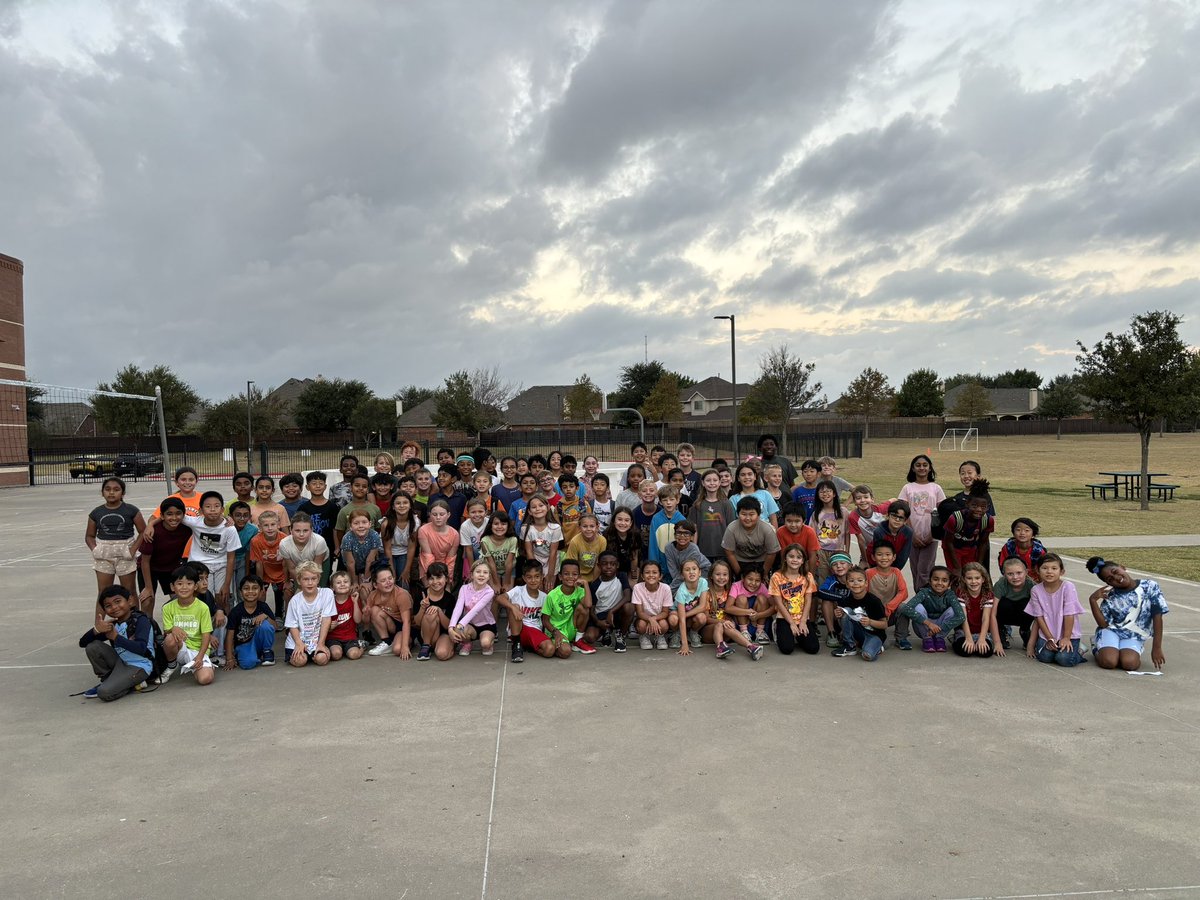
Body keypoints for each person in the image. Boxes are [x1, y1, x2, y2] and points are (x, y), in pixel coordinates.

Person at [1085, 556, 1168, 672]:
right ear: (1108, 583)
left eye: (1115, 572)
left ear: (1122, 567)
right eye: (1110, 579)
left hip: (1133, 634)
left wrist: (1156, 648)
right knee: (1109, 662)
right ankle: (1096, 645)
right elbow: (1103, 624)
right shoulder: (1110, 596)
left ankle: (1118, 650)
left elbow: (1157, 616)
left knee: (1130, 664)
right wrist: (1093, 600)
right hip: (1111, 631)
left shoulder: (1150, 586)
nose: (1117, 578)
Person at [79, 585, 156, 700]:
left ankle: (131, 685)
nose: (114, 607)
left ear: (130, 601)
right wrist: (96, 630)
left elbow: (141, 648)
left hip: (140, 666)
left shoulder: (141, 620)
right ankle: (108, 679)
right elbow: (83, 643)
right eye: (108, 606)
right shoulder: (113, 624)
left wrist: (116, 638)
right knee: (93, 646)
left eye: (118, 601)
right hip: (121, 662)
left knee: (104, 693)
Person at [181, 490, 241, 614]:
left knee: (222, 598)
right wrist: (151, 524)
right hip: (199, 565)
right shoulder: (195, 522)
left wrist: (226, 584)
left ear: (222, 509)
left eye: (216, 506)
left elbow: (231, 558)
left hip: (221, 565)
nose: (212, 510)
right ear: (201, 510)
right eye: (208, 507)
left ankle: (226, 629)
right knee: (202, 598)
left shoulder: (229, 529)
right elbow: (172, 514)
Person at [85, 477, 145, 594]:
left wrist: (132, 550)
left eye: (116, 489)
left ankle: (133, 613)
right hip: (104, 553)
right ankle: (100, 613)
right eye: (107, 489)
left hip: (125, 552)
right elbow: (89, 536)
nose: (111, 492)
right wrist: (95, 549)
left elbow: (143, 531)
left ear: (123, 493)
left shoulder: (131, 510)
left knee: (129, 591)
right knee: (104, 592)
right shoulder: (96, 512)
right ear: (102, 493)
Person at [159, 564, 215, 686]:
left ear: (195, 586)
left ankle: (201, 666)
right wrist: (173, 628)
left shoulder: (202, 608)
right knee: (169, 639)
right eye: (179, 584)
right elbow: (166, 631)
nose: (184, 587)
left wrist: (200, 657)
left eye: (189, 584)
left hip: (197, 649)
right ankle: (172, 665)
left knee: (205, 679)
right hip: (180, 647)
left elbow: (206, 635)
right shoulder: (167, 607)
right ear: (172, 587)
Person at [1026, 553, 1086, 666]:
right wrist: (1049, 638)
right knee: (1044, 657)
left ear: (1061, 571)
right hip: (1048, 633)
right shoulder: (1035, 590)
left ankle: (1079, 651)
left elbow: (1069, 614)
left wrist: (1066, 638)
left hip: (1068, 634)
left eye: (1054, 568)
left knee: (1064, 659)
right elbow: (1039, 617)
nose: (1049, 572)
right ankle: (1059, 647)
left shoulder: (1068, 587)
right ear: (1037, 571)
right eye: (1044, 568)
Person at [897, 454, 946, 592]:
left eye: (925, 465)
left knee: (924, 570)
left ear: (930, 468)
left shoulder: (936, 488)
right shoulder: (907, 488)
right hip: (911, 535)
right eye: (918, 465)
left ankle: (923, 600)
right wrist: (912, 534)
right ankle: (921, 600)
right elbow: (902, 512)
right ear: (913, 468)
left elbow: (942, 513)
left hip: (931, 536)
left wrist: (932, 534)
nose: (922, 468)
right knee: (915, 570)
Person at [136, 497, 192, 615]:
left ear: (184, 515)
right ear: (162, 516)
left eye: (178, 514)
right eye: (169, 514)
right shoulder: (152, 532)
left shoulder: (187, 528)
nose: (174, 518)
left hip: (172, 569)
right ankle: (148, 629)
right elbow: (145, 562)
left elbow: (207, 522)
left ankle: (177, 630)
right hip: (150, 569)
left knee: (181, 599)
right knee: (147, 600)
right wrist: (148, 588)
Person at [899, 566, 965, 653]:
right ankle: (927, 639)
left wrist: (939, 629)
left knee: (953, 611)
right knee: (918, 607)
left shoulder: (950, 595)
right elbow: (906, 608)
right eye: (936, 579)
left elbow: (961, 617)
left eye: (944, 580)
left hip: (940, 628)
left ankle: (939, 638)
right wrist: (929, 624)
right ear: (930, 581)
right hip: (924, 626)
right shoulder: (924, 592)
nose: (939, 583)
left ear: (949, 584)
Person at [941, 478, 995, 582]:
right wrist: (957, 567)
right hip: (953, 548)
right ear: (967, 504)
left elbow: (983, 543)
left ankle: (968, 597)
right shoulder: (955, 518)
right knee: (957, 576)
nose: (979, 510)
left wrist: (978, 564)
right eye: (974, 506)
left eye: (983, 507)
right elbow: (948, 542)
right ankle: (955, 597)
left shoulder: (988, 520)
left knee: (971, 574)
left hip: (970, 547)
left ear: (988, 507)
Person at [830, 567, 889, 661]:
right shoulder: (845, 600)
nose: (856, 583)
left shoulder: (874, 601)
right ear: (847, 584)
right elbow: (841, 622)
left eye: (860, 580)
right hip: (858, 633)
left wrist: (870, 622)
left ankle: (876, 647)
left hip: (874, 635)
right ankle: (850, 646)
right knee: (846, 612)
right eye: (851, 580)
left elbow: (884, 624)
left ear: (866, 583)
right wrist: (837, 615)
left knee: (867, 656)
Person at [704, 560, 759, 660]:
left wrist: (729, 621)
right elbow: (706, 619)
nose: (721, 577)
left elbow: (730, 612)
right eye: (718, 574)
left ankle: (751, 647)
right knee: (720, 625)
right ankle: (720, 649)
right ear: (711, 576)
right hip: (708, 632)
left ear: (729, 576)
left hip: (727, 631)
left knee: (725, 625)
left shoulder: (729, 592)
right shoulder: (707, 594)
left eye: (725, 574)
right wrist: (722, 621)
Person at [770, 545, 819, 656]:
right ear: (785, 559)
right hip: (784, 617)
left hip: (801, 617)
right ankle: (780, 629)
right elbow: (778, 603)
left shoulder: (808, 576)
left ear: (802, 561)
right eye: (791, 556)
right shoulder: (776, 577)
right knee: (787, 649)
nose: (794, 560)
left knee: (813, 648)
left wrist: (803, 622)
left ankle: (798, 635)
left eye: (798, 557)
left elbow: (808, 600)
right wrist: (791, 623)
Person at [284, 561, 334, 667]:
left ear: (318, 579)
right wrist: (299, 643)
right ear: (299, 580)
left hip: (316, 640)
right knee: (300, 661)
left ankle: (315, 654)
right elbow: (292, 626)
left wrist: (321, 643)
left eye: (313, 579)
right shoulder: (295, 601)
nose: (310, 583)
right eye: (306, 579)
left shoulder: (327, 594)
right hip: (298, 640)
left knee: (321, 659)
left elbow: (326, 619)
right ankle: (303, 655)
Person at [221, 575, 277, 670]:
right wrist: (229, 658)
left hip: (258, 642)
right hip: (243, 644)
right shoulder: (236, 611)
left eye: (255, 588)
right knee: (248, 664)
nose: (250, 591)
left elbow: (274, 626)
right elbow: (230, 635)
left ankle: (266, 651)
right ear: (240, 592)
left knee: (265, 625)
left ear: (261, 591)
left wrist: (265, 616)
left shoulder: (263, 607)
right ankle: (250, 655)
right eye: (246, 588)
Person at [541, 559, 595, 654]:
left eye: (574, 574)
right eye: (566, 574)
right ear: (560, 577)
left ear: (579, 577)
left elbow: (588, 605)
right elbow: (545, 621)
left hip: (571, 627)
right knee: (565, 652)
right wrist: (556, 633)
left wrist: (585, 583)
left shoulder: (580, 591)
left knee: (583, 609)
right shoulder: (552, 595)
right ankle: (555, 645)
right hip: (556, 630)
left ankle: (578, 641)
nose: (570, 577)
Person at [448, 560, 499, 656]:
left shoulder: (489, 592)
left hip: (486, 624)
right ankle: (467, 643)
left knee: (485, 644)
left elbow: (475, 610)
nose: (481, 575)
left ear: (489, 576)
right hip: (470, 624)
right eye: (478, 572)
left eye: (485, 572)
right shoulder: (464, 588)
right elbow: (458, 608)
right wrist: (451, 627)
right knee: (457, 629)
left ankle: (489, 643)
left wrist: (460, 624)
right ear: (471, 575)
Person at [509, 559, 557, 660]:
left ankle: (528, 647)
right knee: (515, 607)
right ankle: (516, 646)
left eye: (537, 576)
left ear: (542, 577)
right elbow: (500, 598)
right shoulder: (518, 590)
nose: (533, 580)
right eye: (529, 577)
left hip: (535, 630)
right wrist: (513, 607)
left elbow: (546, 619)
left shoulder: (545, 597)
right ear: (524, 578)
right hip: (519, 629)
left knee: (549, 650)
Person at [721, 497, 780, 578]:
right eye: (744, 514)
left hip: (761, 561)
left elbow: (772, 553)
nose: (747, 518)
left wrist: (764, 573)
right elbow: (729, 552)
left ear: (758, 515)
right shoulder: (731, 528)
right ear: (738, 514)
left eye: (752, 514)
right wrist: (739, 573)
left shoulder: (767, 529)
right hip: (740, 561)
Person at [584, 551, 631, 652]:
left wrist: (611, 611)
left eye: (612, 564)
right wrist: (597, 622)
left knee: (629, 607)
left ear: (617, 565)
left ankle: (621, 635)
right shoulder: (595, 585)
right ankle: (605, 631)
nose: (609, 566)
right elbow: (591, 609)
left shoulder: (622, 576)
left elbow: (627, 597)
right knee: (590, 637)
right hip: (601, 615)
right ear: (599, 566)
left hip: (617, 612)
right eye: (604, 564)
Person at [866, 542, 910, 649]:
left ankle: (901, 638)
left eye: (888, 554)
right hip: (874, 615)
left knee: (904, 607)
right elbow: (864, 594)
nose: (884, 558)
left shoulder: (896, 572)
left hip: (890, 612)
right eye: (879, 554)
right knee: (883, 645)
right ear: (873, 557)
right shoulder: (869, 573)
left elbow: (903, 592)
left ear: (894, 557)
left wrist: (889, 607)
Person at [688, 469, 736, 565]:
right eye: (708, 480)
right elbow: (694, 529)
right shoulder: (697, 504)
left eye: (715, 480)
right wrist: (694, 548)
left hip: (723, 551)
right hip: (703, 551)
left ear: (719, 483)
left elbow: (731, 527)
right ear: (703, 483)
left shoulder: (726, 504)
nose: (712, 483)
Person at [365, 566, 415, 658]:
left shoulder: (401, 594)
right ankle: (387, 641)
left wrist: (404, 647)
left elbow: (407, 622)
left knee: (397, 650)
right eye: (383, 580)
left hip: (405, 626)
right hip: (391, 624)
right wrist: (366, 613)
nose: (388, 582)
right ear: (375, 585)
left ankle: (407, 642)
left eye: (390, 578)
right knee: (374, 610)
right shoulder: (373, 595)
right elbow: (366, 621)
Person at [250, 510, 290, 624]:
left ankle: (279, 615)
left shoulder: (285, 539)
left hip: (281, 571)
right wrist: (260, 583)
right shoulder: (256, 541)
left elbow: (286, 563)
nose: (270, 528)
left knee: (281, 593)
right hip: (265, 571)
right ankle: (260, 614)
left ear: (278, 525)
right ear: (260, 527)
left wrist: (286, 580)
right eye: (266, 525)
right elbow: (259, 563)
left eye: (273, 525)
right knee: (261, 593)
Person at [297, 471, 336, 583]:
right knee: (308, 574)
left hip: (328, 547)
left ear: (325, 486)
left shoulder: (332, 506)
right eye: (314, 483)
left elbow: (335, 529)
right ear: (307, 487)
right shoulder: (303, 507)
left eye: (320, 483)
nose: (318, 486)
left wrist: (337, 547)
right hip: (308, 547)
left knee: (324, 574)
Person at [953, 562, 998, 658]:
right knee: (965, 651)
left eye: (977, 578)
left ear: (983, 579)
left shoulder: (988, 594)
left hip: (981, 631)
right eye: (969, 578)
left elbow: (986, 618)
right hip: (964, 631)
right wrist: (968, 638)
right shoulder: (961, 592)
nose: (973, 582)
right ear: (964, 580)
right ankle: (958, 640)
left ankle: (977, 642)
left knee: (986, 653)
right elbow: (963, 617)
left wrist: (982, 638)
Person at [414, 562, 457, 661]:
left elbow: (449, 626)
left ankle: (450, 646)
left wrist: (439, 611)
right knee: (430, 613)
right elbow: (416, 623)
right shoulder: (421, 595)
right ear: (427, 580)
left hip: (443, 633)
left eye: (439, 578)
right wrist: (422, 608)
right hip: (426, 635)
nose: (435, 582)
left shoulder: (450, 598)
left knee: (442, 654)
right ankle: (425, 647)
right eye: (431, 578)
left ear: (446, 579)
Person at [808, 479, 848, 583]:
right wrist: (816, 552)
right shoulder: (816, 514)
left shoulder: (843, 512)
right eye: (821, 492)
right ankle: (824, 598)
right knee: (824, 579)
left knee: (840, 579)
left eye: (828, 491)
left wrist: (846, 551)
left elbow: (847, 533)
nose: (825, 494)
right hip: (821, 552)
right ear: (818, 495)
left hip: (838, 550)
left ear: (834, 493)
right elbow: (812, 535)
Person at [993, 557, 1036, 650]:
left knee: (1028, 603)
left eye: (1019, 573)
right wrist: (996, 642)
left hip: (1023, 615)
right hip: (1005, 614)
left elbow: (1040, 613)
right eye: (1010, 574)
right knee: (1003, 603)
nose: (1015, 577)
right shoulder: (1000, 585)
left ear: (1026, 572)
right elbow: (992, 613)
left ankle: (1025, 631)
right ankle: (1001, 630)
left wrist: (1033, 642)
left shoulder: (1031, 586)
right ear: (1004, 574)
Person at [521, 495, 562, 590]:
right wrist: (536, 573)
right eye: (534, 507)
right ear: (529, 512)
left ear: (547, 507)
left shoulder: (555, 528)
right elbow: (529, 552)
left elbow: (553, 553)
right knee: (537, 589)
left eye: (541, 505)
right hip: (535, 560)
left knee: (548, 588)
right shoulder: (526, 528)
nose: (538, 509)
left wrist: (550, 574)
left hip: (551, 561)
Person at [417, 498, 460, 589]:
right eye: (434, 514)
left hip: (445, 569)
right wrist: (433, 578)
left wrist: (447, 579)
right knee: (430, 590)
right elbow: (427, 556)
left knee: (446, 593)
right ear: (430, 515)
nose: (438, 517)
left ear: (448, 515)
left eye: (442, 514)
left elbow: (450, 560)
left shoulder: (454, 534)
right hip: (427, 567)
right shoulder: (423, 530)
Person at [633, 560, 675, 651]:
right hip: (643, 618)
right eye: (647, 572)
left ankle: (659, 636)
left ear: (660, 576)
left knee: (664, 624)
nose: (651, 575)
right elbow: (639, 612)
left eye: (655, 572)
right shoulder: (637, 588)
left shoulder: (666, 588)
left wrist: (654, 619)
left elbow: (665, 612)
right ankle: (644, 636)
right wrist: (650, 619)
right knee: (641, 625)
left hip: (659, 618)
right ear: (642, 576)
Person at [334, 474, 381, 553]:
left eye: (364, 486)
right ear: (350, 487)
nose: (360, 488)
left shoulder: (375, 509)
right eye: (357, 485)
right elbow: (340, 532)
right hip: (350, 552)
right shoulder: (344, 510)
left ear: (368, 489)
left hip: (370, 552)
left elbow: (378, 529)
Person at [379, 494, 418, 587]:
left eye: (405, 503)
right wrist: (392, 571)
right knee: (390, 579)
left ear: (410, 506)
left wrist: (407, 570)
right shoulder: (386, 524)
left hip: (404, 552)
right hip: (387, 553)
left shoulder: (415, 522)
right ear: (393, 506)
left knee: (403, 581)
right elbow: (387, 549)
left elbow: (412, 547)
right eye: (398, 503)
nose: (401, 506)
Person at [340, 510, 384, 593]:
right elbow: (350, 562)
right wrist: (354, 582)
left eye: (364, 522)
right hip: (351, 567)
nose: (361, 526)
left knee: (365, 590)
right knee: (354, 589)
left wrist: (366, 580)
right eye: (356, 523)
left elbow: (370, 560)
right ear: (350, 526)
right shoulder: (347, 538)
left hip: (367, 566)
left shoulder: (374, 536)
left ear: (370, 524)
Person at [815, 552, 853, 647]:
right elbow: (821, 592)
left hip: (852, 613)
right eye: (835, 564)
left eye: (842, 563)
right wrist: (841, 599)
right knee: (826, 601)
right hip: (836, 615)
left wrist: (845, 608)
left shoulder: (855, 578)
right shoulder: (832, 579)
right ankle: (832, 633)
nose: (839, 566)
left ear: (850, 565)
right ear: (831, 569)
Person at [671, 558, 709, 653]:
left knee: (702, 617)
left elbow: (702, 606)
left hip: (690, 612)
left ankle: (693, 632)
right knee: (673, 619)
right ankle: (677, 633)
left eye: (694, 569)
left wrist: (684, 615)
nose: (691, 572)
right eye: (687, 570)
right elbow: (681, 619)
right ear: (682, 575)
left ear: (699, 572)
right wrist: (685, 645)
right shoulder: (681, 591)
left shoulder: (703, 582)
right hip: (677, 611)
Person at [325, 571, 364, 661]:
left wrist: (355, 603)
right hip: (333, 637)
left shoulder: (354, 600)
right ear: (332, 587)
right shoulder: (329, 602)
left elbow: (358, 620)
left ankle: (362, 646)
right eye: (338, 583)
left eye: (346, 582)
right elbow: (325, 624)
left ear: (350, 585)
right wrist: (330, 627)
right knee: (336, 654)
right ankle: (340, 649)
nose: (342, 584)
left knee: (354, 655)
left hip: (350, 637)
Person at [727, 567, 772, 645]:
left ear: (761, 581)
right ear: (743, 578)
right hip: (741, 622)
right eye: (750, 579)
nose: (753, 583)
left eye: (757, 580)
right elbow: (728, 608)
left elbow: (775, 607)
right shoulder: (736, 586)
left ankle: (760, 632)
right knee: (741, 598)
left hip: (758, 622)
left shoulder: (762, 587)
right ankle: (744, 632)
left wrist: (758, 615)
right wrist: (747, 612)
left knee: (762, 598)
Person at [847, 485, 889, 563]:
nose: (862, 500)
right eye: (858, 498)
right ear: (855, 502)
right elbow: (861, 540)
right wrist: (864, 560)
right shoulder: (853, 517)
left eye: (866, 497)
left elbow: (894, 500)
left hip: (886, 549)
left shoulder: (881, 509)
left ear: (872, 499)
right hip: (869, 550)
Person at [775, 502, 820, 576]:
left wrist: (810, 576)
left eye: (797, 521)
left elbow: (813, 557)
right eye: (789, 521)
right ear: (784, 520)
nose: (793, 525)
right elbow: (783, 555)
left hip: (807, 564)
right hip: (789, 563)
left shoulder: (810, 532)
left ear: (804, 521)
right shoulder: (780, 532)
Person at [663, 520, 710, 590]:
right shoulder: (668, 548)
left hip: (701, 572)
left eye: (686, 533)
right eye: (679, 533)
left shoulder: (694, 550)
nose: (682, 536)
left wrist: (671, 588)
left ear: (692, 537)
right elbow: (673, 571)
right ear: (674, 534)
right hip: (682, 575)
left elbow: (691, 573)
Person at [867, 501, 913, 572]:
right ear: (888, 515)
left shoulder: (908, 533)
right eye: (894, 516)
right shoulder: (879, 532)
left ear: (905, 521)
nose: (897, 520)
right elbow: (879, 555)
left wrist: (895, 570)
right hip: (876, 564)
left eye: (901, 518)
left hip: (895, 565)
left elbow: (904, 556)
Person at [648, 486, 687, 569]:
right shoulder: (656, 519)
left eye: (672, 499)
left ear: (677, 500)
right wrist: (653, 563)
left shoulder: (682, 520)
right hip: (660, 563)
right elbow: (653, 542)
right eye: (665, 500)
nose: (668, 503)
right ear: (660, 502)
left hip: (677, 564)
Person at [731, 463, 780, 528]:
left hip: (765, 533)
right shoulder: (733, 499)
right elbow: (733, 522)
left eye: (750, 474)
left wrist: (774, 535)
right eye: (743, 475)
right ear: (738, 478)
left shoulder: (765, 494)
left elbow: (773, 518)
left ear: (755, 476)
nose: (747, 477)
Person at [564, 513, 606, 582]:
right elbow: (572, 564)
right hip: (578, 577)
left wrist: (594, 583)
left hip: (595, 576)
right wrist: (577, 579)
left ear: (597, 527)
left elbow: (598, 564)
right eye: (585, 526)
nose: (588, 529)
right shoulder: (575, 541)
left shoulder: (602, 541)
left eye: (592, 526)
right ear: (579, 527)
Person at [229, 501, 258, 601]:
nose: (242, 519)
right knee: (229, 591)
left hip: (242, 560)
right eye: (237, 515)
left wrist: (247, 573)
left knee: (242, 587)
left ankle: (242, 611)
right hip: (226, 560)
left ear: (250, 516)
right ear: (230, 516)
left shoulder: (253, 530)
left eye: (245, 515)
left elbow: (248, 552)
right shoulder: (225, 528)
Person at [604, 508, 642, 580]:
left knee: (632, 587)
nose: (623, 523)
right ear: (614, 521)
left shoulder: (636, 534)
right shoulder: (607, 534)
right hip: (611, 570)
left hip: (629, 569)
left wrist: (633, 576)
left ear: (631, 523)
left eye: (627, 520)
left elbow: (634, 557)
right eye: (619, 519)